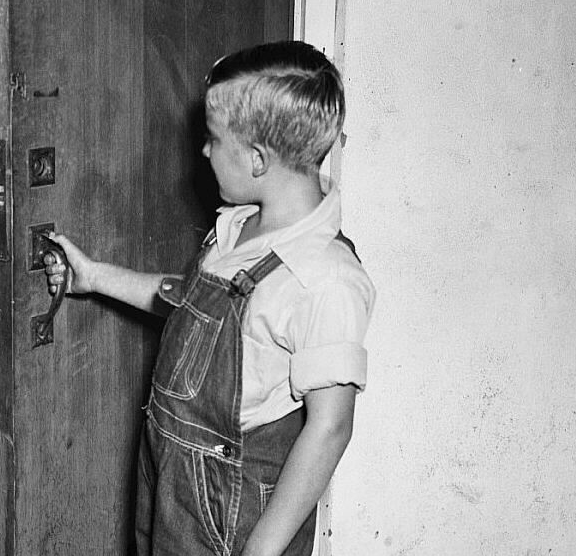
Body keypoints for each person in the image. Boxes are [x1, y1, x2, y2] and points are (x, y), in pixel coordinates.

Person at [45, 41, 374, 556]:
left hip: (232, 509)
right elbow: (190, 306)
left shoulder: (324, 278)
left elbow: (330, 428)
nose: (203, 151)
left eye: (214, 139)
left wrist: (261, 551)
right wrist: (94, 277)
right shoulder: (239, 228)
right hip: (173, 477)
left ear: (257, 159)